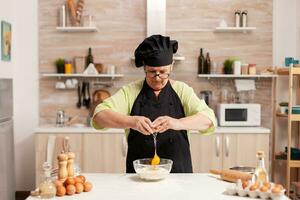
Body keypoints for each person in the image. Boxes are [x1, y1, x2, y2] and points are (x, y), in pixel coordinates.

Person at [92, 35, 216, 173]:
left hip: (180, 176)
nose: (157, 78)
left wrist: (177, 123)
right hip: (138, 176)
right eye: (152, 72)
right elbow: (99, 116)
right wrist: (131, 122)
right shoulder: (130, 92)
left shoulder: (182, 90)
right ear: (144, 67)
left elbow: (208, 120)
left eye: (163, 72)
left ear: (171, 67)